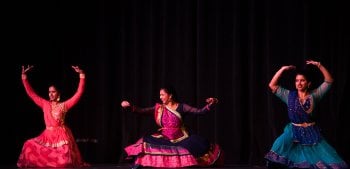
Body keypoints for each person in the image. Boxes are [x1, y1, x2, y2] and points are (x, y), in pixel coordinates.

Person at [264, 60, 348, 169]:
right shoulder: (289, 96)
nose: (299, 83)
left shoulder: (315, 95)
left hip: (311, 132)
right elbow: (272, 85)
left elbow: (329, 81)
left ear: (308, 83)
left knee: (326, 162)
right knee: (279, 146)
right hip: (293, 131)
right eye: (296, 81)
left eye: (302, 81)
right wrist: (282, 69)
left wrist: (319, 65)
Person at [121, 86, 224, 168]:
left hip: (180, 137)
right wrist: (130, 107)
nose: (160, 97)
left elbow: (200, 112)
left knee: (198, 145)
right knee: (145, 141)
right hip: (164, 136)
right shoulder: (159, 108)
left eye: (162, 95)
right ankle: (139, 163)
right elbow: (142, 111)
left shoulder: (182, 107)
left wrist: (210, 104)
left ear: (170, 96)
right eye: (160, 95)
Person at [17, 65, 90, 168]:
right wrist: (24, 77)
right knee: (28, 144)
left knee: (65, 161)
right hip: (47, 136)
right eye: (49, 92)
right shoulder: (44, 103)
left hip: (61, 135)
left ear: (58, 94)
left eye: (53, 92)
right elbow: (31, 94)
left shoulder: (64, 105)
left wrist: (81, 75)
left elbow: (79, 93)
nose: (50, 94)